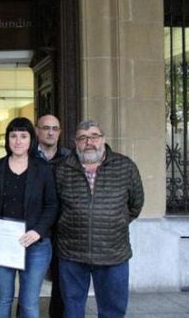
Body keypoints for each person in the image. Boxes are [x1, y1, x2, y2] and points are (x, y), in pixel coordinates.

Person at [55, 120, 144, 318]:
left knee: (112, 310)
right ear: (75, 142)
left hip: (113, 253)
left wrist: (113, 221)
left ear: (103, 139)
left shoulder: (125, 166)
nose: (89, 142)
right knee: (72, 310)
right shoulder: (62, 169)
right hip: (72, 253)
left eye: (94, 136)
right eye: (83, 138)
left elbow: (135, 204)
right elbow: (55, 206)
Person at [0, 117, 58, 318]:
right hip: (2, 244)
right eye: (13, 135)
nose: (18, 141)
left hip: (35, 245)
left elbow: (52, 205)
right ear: (7, 140)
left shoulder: (43, 169)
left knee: (29, 302)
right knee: (3, 298)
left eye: (23, 136)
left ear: (31, 139)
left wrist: (38, 231)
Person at [35, 114, 70, 318]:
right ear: (37, 130)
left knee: (62, 279)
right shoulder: (27, 156)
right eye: (46, 128)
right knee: (30, 281)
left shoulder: (69, 157)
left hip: (62, 228)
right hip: (34, 227)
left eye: (55, 128)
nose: (50, 132)